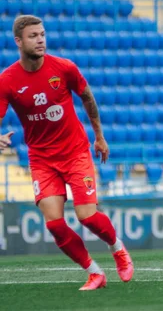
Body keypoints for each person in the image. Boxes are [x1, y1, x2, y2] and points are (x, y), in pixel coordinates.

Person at [0, 15, 133, 290]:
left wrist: (99, 136)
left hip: (75, 152)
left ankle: (117, 247)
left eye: (42, 34)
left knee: (87, 216)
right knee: (55, 224)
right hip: (41, 158)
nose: (40, 40)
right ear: (18, 41)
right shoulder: (8, 80)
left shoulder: (63, 67)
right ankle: (94, 272)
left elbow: (87, 96)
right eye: (33, 36)